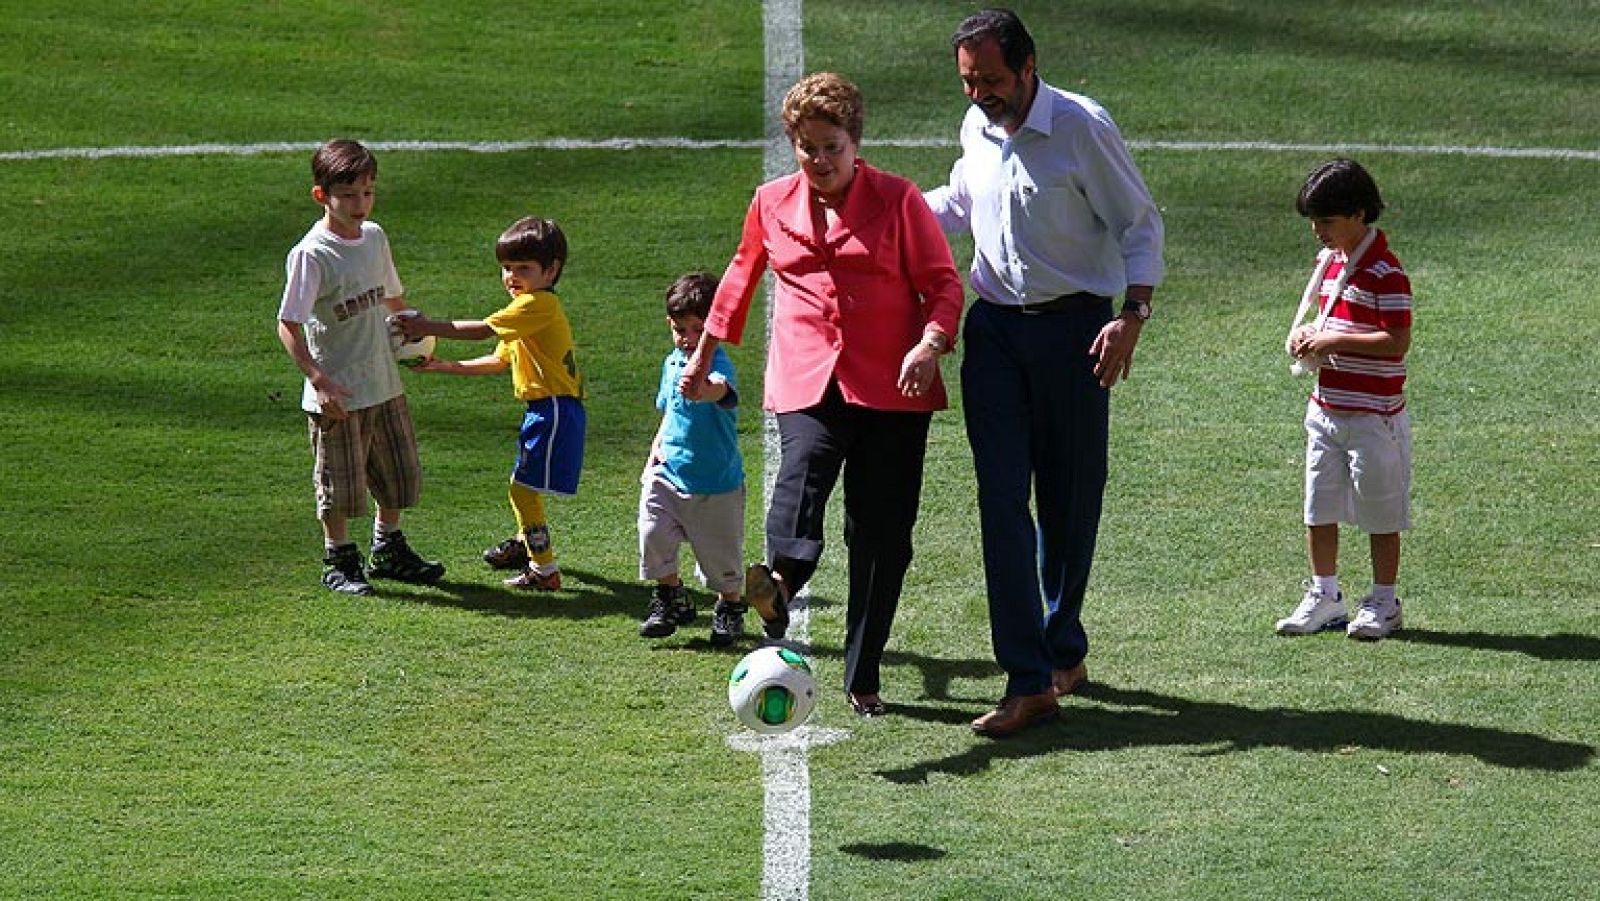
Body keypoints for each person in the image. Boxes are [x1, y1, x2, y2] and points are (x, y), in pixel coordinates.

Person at [681, 72, 965, 717]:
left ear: (854, 141)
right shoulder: (772, 202)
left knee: (881, 535)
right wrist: (701, 359)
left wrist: (930, 344)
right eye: (807, 147)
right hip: (809, 376)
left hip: (894, 384)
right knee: (799, 477)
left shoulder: (898, 200)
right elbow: (738, 280)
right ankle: (779, 582)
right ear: (794, 143)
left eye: (831, 146)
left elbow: (942, 283)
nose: (819, 160)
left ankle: (863, 676)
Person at [923, 9, 1165, 738]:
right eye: (969, 81)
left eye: (991, 80)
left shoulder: (1082, 128)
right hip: (993, 330)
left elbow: (1139, 223)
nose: (980, 94)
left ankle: (1063, 645)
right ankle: (1027, 679)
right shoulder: (976, 126)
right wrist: (895, 214)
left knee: (1069, 497)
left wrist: (1134, 314)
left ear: (1029, 66)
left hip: (1076, 331)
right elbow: (964, 201)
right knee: (1001, 499)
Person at [276, 138, 446, 597]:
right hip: (339, 392)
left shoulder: (374, 238)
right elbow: (288, 323)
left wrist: (413, 332)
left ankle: (387, 548)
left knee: (399, 475)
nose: (360, 204)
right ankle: (338, 559)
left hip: (384, 383)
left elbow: (391, 296)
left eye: (367, 192)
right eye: (348, 195)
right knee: (340, 484)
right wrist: (318, 379)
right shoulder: (313, 254)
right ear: (321, 196)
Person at [396, 216, 586, 592]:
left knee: (522, 488)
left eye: (523, 268)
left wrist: (427, 326)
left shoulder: (537, 305)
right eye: (506, 268)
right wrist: (444, 365)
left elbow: (481, 329)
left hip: (555, 411)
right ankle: (525, 542)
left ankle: (544, 570)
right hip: (544, 411)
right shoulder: (525, 312)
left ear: (551, 271)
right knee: (524, 485)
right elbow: (499, 360)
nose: (511, 276)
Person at [1276, 158, 1413, 640]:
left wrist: (1331, 341)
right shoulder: (1333, 263)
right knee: (1319, 506)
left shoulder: (1384, 271)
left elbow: (1396, 340)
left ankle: (1383, 600)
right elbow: (1332, 322)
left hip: (1374, 416)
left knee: (1381, 512)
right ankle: (1325, 593)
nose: (1317, 230)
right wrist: (1310, 335)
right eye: (1314, 221)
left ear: (1358, 214)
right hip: (1327, 410)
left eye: (1327, 221)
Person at [636, 272, 748, 644]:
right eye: (681, 329)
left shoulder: (718, 364)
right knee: (652, 534)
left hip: (715, 482)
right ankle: (669, 596)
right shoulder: (671, 363)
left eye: (699, 330)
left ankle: (729, 605)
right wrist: (656, 448)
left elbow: (722, 391)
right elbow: (669, 411)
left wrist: (702, 388)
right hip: (667, 472)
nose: (688, 339)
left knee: (721, 560)